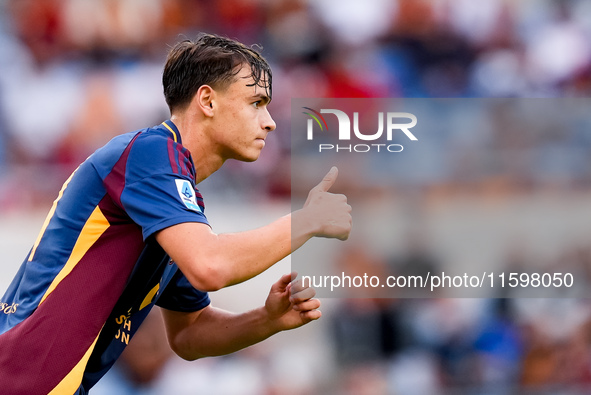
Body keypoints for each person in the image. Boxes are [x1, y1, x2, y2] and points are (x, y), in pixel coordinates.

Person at [0, 33, 352, 394]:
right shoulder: (152, 155)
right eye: (256, 102)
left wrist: (267, 320)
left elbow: (189, 334)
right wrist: (307, 220)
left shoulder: (174, 196)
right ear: (207, 100)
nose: (269, 122)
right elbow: (209, 266)